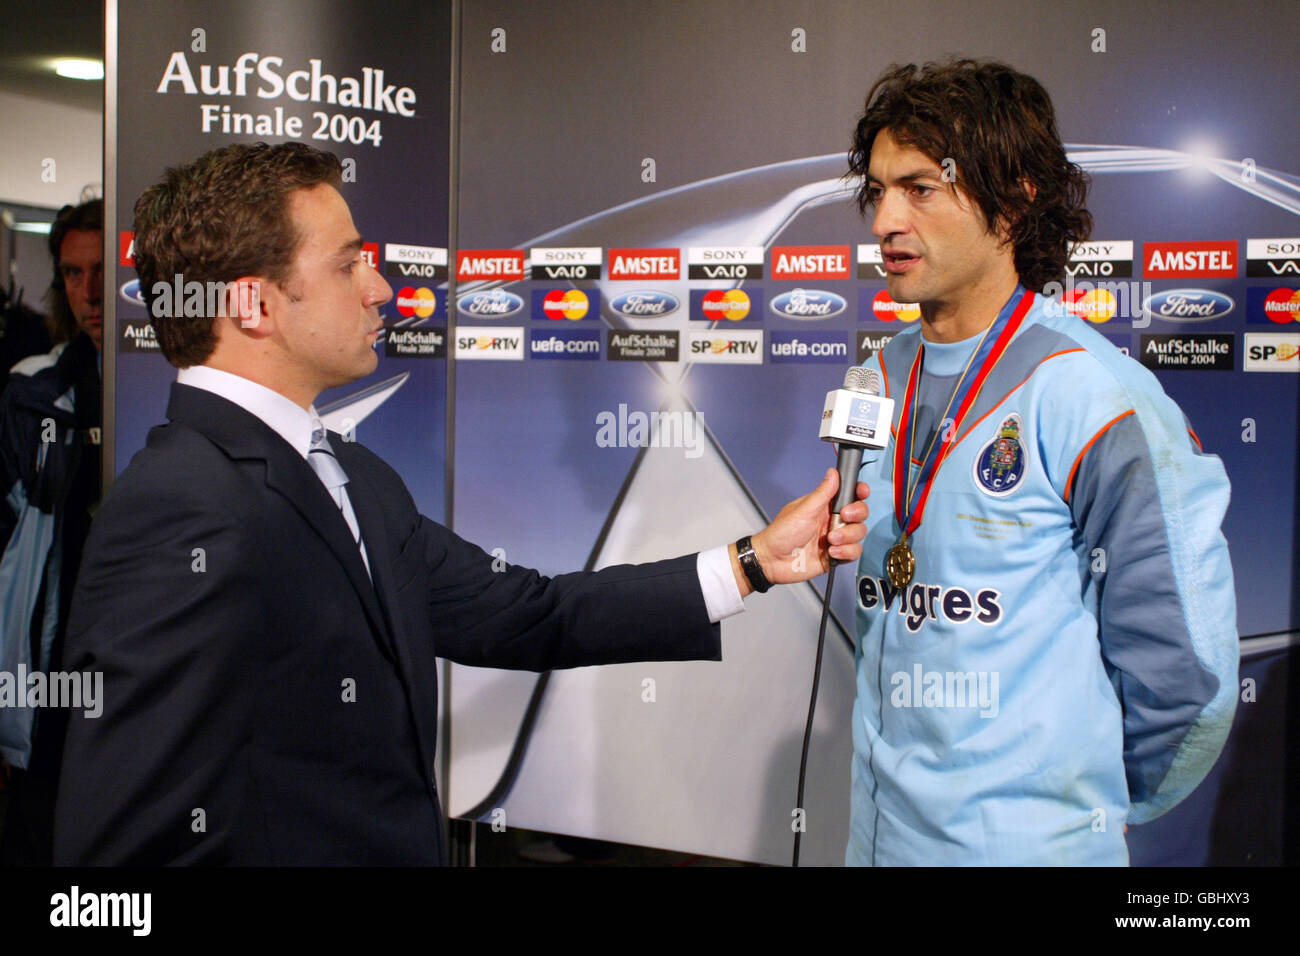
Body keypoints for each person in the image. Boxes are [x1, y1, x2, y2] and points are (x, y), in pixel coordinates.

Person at [51, 142, 870, 865]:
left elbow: (529, 613)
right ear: (253, 304)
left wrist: (755, 563)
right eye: (346, 265)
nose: (381, 288)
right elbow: (121, 843)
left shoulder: (353, 477)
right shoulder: (178, 507)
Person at [843, 59, 1237, 865]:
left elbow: (1187, 680)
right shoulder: (876, 376)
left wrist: (1068, 811)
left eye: (919, 188)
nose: (885, 219)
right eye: (878, 190)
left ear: (1015, 199)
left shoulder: (1096, 397)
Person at [0, 199, 103, 865]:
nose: (89, 292)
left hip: (145, 686)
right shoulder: (32, 393)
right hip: (50, 687)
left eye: (101, 271)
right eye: (71, 273)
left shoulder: (184, 387)